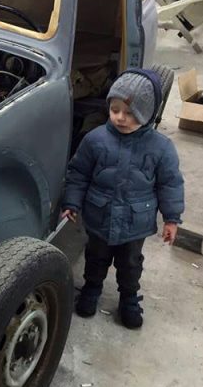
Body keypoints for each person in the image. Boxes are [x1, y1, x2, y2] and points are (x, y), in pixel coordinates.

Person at [61, 70, 184, 329]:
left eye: (130, 113)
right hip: (99, 216)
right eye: (114, 109)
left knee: (130, 263)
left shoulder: (161, 147)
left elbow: (170, 183)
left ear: (147, 114)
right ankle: (92, 288)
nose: (120, 117)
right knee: (95, 257)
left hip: (134, 222)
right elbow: (78, 173)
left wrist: (172, 219)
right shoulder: (95, 139)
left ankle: (129, 297)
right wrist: (71, 202)